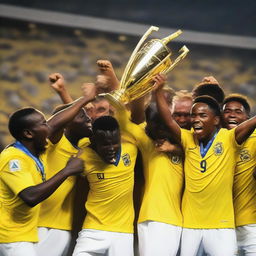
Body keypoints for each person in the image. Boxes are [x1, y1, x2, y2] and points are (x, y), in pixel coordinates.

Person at [155, 75, 256, 256]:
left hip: (222, 226)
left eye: (202, 115)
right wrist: (158, 91)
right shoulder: (187, 138)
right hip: (190, 226)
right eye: (193, 115)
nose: (195, 119)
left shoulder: (229, 139)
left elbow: (250, 123)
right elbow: (168, 120)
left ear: (216, 120)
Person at [0, 89, 96, 256]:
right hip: (11, 235)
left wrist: (86, 99)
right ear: (28, 133)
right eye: (43, 124)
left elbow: (54, 124)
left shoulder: (37, 152)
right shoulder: (13, 158)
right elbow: (30, 196)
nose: (48, 126)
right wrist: (67, 171)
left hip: (24, 233)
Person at [35, 73, 94, 256]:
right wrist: (85, 99)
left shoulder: (84, 148)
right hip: (38, 223)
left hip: (63, 227)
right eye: (81, 115)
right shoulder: (54, 142)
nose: (88, 118)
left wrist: (64, 92)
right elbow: (54, 123)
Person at [72, 115, 138, 256]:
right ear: (93, 140)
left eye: (115, 143)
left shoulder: (131, 149)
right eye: (105, 144)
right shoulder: (83, 158)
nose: (111, 148)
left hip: (123, 232)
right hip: (93, 229)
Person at [222, 94, 256, 256]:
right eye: (227, 111)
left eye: (238, 111)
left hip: (251, 225)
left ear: (247, 118)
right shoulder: (213, 140)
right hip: (221, 227)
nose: (232, 115)